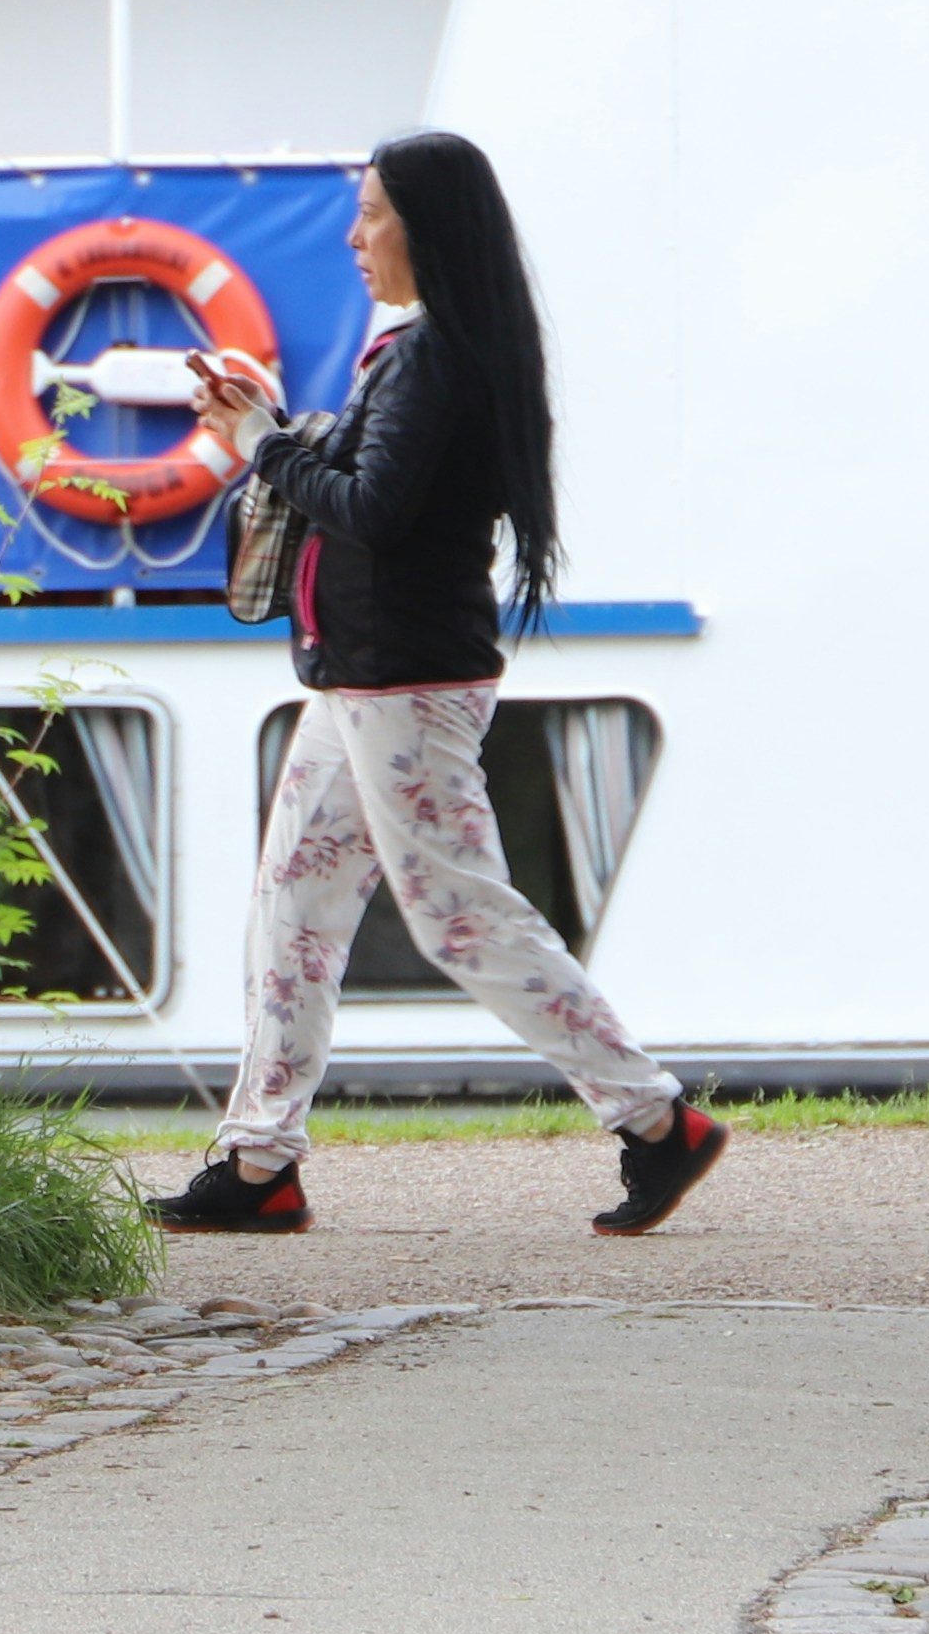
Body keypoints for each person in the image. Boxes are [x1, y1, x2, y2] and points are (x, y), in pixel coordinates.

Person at [151, 132, 724, 1237]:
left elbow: (371, 507)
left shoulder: (436, 359)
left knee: (458, 914)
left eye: (372, 214)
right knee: (294, 906)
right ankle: (260, 1159)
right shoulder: (429, 354)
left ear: (430, 226)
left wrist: (264, 442)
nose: (354, 236)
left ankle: (657, 1119)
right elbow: (373, 482)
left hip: (403, 686)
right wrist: (266, 430)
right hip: (363, 680)